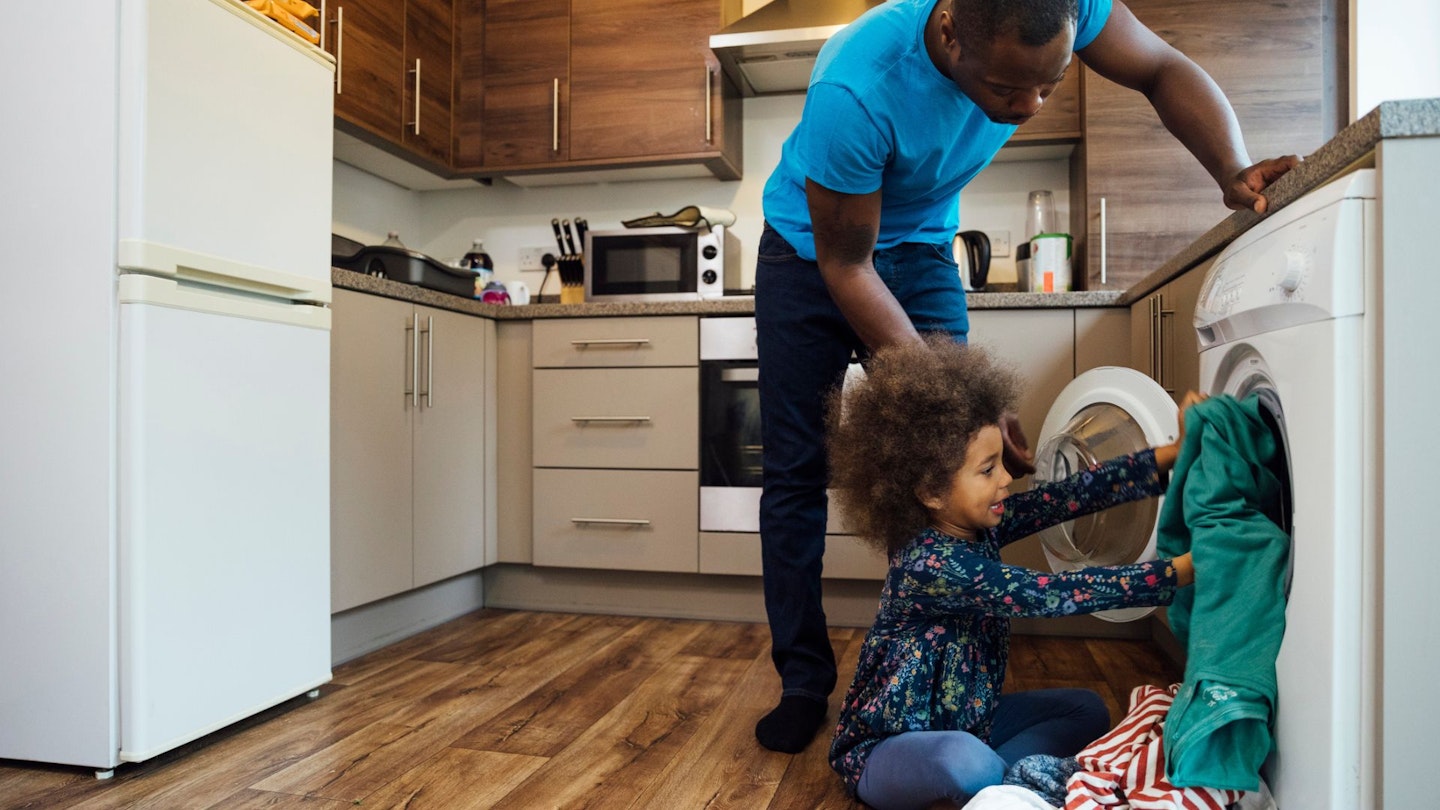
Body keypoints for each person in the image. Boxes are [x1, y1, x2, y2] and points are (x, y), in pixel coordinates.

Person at [752, 0, 1298, 754]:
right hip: (813, 255)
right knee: (795, 470)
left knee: (966, 472)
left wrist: (1233, 171)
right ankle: (804, 681)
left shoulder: (1064, 2)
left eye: (1050, 83)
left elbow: (1164, 68)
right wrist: (961, 402)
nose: (1029, 106)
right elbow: (847, 266)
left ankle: (942, 679)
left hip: (919, 251)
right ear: (949, 33)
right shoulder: (857, 89)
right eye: (1011, 88)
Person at [824, 337, 1199, 808]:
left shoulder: (976, 525)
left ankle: (1003, 788)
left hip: (970, 721)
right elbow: (1052, 593)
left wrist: (1171, 454)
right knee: (964, 761)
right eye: (987, 470)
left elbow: (1069, 496)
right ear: (930, 491)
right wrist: (1180, 571)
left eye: (1000, 461)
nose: (1006, 478)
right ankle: (1002, 785)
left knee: (1086, 708)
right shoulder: (930, 565)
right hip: (884, 750)